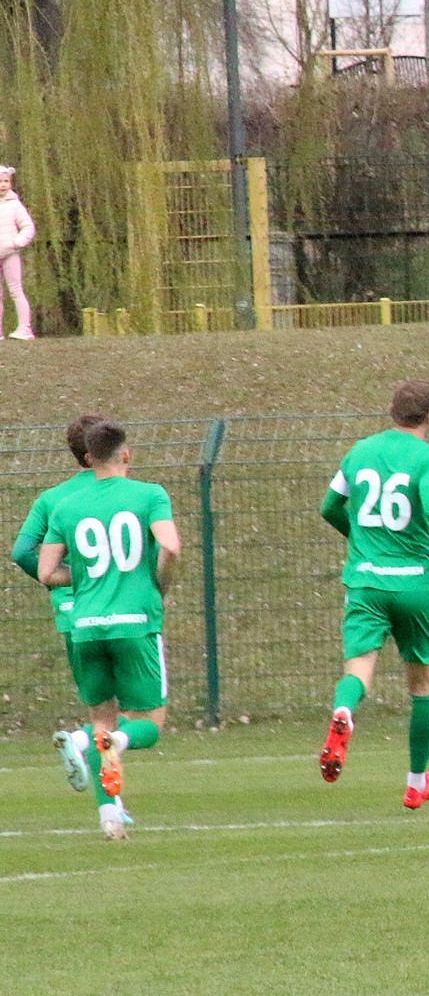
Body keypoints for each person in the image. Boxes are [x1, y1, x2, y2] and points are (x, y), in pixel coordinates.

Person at [318, 379, 429, 808]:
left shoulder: (359, 451)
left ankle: (344, 713)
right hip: (414, 583)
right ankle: (416, 782)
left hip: (366, 582)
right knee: (423, 684)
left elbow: (329, 507)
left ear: (391, 413)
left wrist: (360, 540)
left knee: (359, 668)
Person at [37, 421, 181, 840]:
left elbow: (46, 572)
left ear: (88, 459)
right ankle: (91, 743)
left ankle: (110, 816)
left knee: (102, 720)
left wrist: (85, 578)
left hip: (85, 627)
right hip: (135, 622)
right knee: (148, 725)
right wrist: (158, 586)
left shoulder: (67, 507)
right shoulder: (149, 495)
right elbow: (170, 546)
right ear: (126, 454)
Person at [10, 415, 128, 814]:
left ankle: (111, 803)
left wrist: (62, 580)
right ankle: (84, 747)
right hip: (122, 608)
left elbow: (22, 551)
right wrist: (97, 574)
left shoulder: (52, 499)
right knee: (137, 715)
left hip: (74, 615)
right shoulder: (122, 492)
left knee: (103, 710)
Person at [0, 165, 36, 339]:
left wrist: (16, 243)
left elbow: (28, 227)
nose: (3, 185)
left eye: (6, 181)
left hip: (10, 253)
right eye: (0, 181)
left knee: (15, 290)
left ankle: (24, 328)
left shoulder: (15, 205)